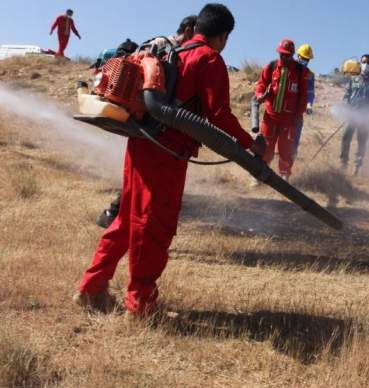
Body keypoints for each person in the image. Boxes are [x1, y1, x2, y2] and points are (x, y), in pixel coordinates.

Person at [75, 3, 262, 315]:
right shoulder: (209, 58)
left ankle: (92, 287)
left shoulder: (170, 53)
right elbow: (219, 116)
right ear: (223, 36)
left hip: (140, 143)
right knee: (154, 226)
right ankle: (140, 305)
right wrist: (251, 145)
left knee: (125, 220)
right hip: (167, 153)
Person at [95, 15, 197, 229]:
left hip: (153, 121)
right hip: (147, 121)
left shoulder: (173, 49)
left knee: (140, 177)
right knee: (140, 177)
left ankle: (115, 216)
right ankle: (116, 216)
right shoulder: (162, 45)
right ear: (188, 29)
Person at [254, 39, 307, 182]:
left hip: (288, 121)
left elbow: (303, 97)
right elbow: (260, 85)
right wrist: (260, 95)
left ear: (292, 55)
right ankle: (259, 176)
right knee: (265, 148)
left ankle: (284, 179)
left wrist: (298, 115)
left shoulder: (300, 72)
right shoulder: (270, 67)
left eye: (287, 55)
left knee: (286, 151)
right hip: (270, 117)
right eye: (282, 55)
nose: (284, 58)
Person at [340, 54, 369, 175]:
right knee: (345, 137)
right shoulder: (354, 79)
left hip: (366, 116)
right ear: (360, 63)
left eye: (368, 63)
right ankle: (343, 163)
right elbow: (346, 95)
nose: (366, 65)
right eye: (364, 62)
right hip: (352, 114)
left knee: (362, 141)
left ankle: (357, 166)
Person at [292, 43, 315, 160]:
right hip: (284, 108)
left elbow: (310, 93)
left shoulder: (310, 75)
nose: (306, 61)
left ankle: (292, 156)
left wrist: (309, 105)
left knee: (296, 132)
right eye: (304, 58)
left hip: (298, 109)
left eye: (308, 59)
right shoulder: (289, 67)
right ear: (298, 56)